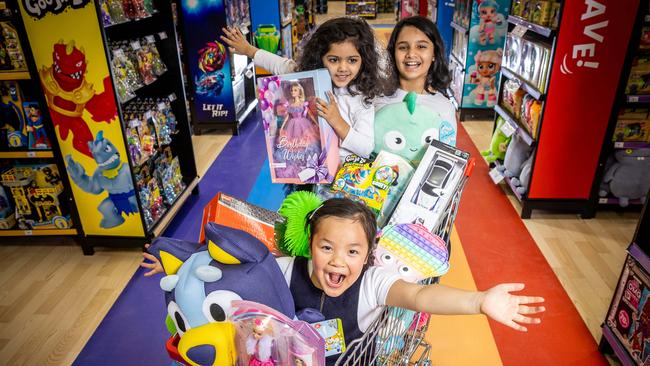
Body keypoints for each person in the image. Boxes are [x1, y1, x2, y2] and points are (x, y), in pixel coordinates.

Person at [274, 193, 545, 365]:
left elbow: (418, 295)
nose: (338, 260)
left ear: (369, 253)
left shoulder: (372, 283)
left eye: (353, 251)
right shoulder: (288, 269)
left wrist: (478, 301)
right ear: (311, 244)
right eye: (326, 247)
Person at [221, 17, 382, 160]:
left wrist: (337, 121)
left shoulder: (362, 98)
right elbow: (280, 64)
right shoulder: (308, 77)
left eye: (352, 60)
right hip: (309, 165)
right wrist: (249, 50)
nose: (343, 68)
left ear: (364, 61)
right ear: (320, 58)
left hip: (344, 177)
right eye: (334, 60)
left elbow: (366, 149)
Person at [374, 16, 458, 156]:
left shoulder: (444, 107)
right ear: (393, 53)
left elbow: (446, 160)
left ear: (434, 54)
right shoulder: (376, 99)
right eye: (403, 47)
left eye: (421, 46)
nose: (411, 53)